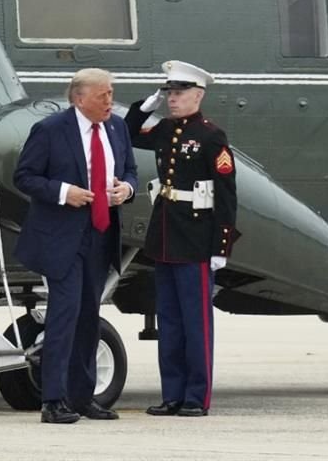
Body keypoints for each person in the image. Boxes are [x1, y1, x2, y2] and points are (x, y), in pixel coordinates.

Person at [13, 68, 138, 424]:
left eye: (112, 93)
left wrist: (125, 190)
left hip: (101, 233)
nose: (110, 101)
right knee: (64, 315)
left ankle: (83, 398)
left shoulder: (116, 128)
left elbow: (130, 171)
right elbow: (24, 176)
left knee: (88, 317)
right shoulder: (51, 130)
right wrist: (65, 192)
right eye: (104, 96)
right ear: (79, 98)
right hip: (62, 236)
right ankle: (53, 400)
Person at [125, 60, 239, 418]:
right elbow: (127, 134)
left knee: (195, 321)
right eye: (169, 94)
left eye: (179, 94)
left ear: (198, 95)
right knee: (169, 321)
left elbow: (225, 192)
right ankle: (171, 393)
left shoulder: (210, 136)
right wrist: (145, 106)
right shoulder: (164, 129)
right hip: (166, 233)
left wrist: (222, 245)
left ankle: (195, 396)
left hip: (196, 236)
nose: (172, 100)